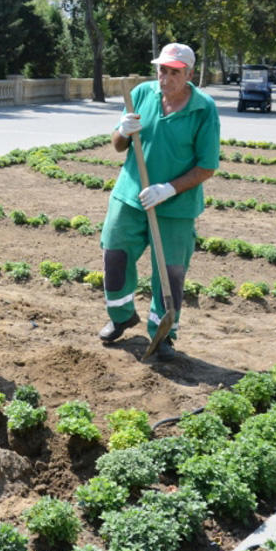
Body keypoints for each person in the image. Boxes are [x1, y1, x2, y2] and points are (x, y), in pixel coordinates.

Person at [97, 42, 220, 361]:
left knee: (171, 273)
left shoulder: (204, 109)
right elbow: (117, 145)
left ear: (189, 74)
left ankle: (163, 334)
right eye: (161, 70)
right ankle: (121, 316)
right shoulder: (140, 94)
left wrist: (168, 189)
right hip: (130, 196)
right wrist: (123, 131)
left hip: (175, 207)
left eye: (173, 72)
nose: (165, 78)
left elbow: (207, 165)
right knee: (115, 255)